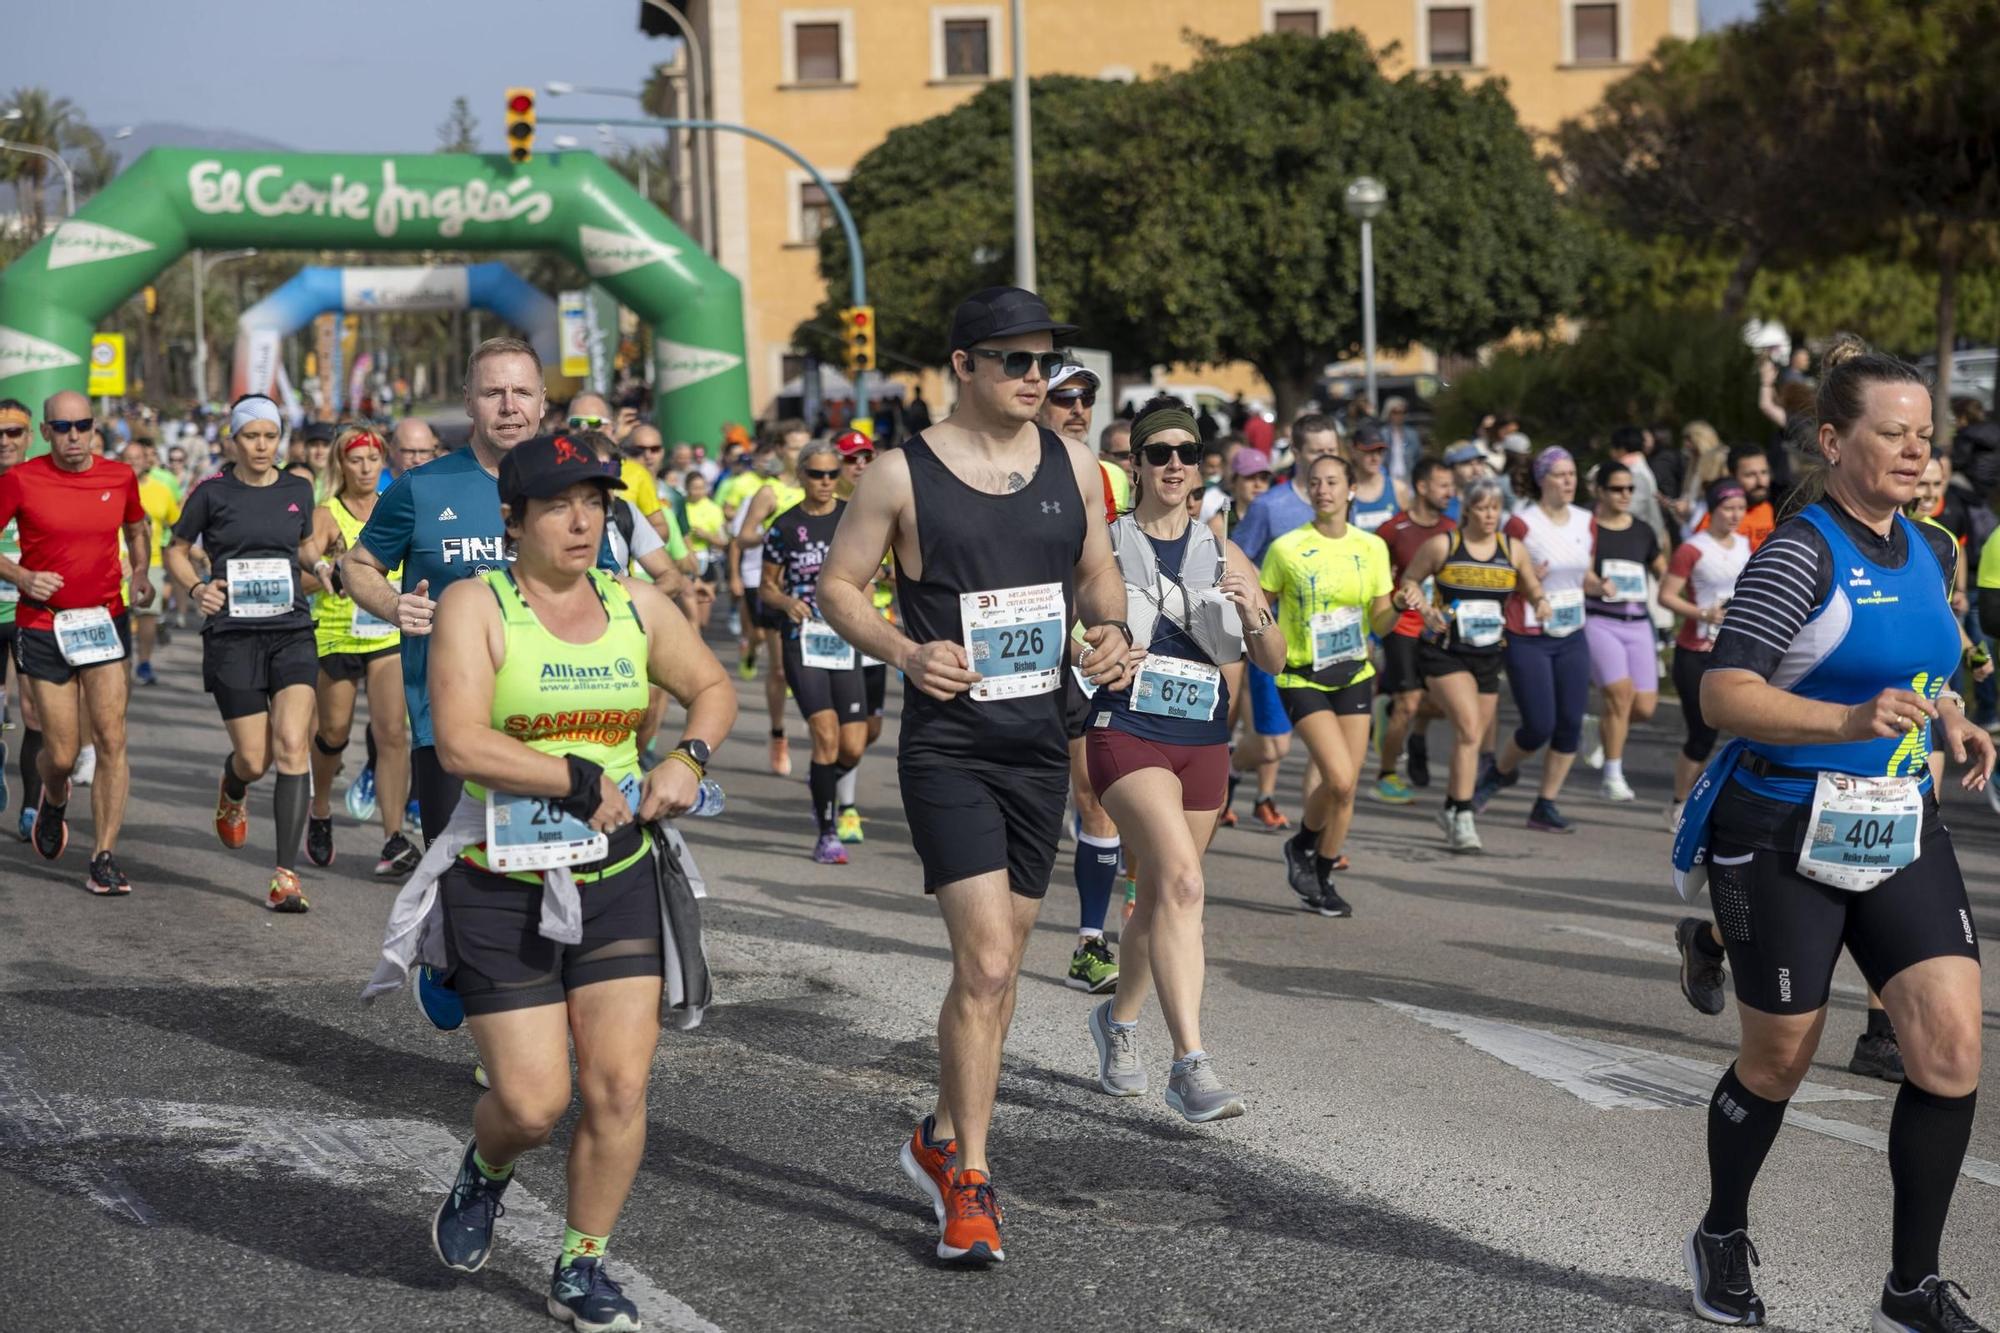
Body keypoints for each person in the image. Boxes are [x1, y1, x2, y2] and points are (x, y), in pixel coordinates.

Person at [1677, 336, 1992, 1333]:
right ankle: (1720, 1230)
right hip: (1777, 822)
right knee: (1778, 1058)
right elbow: (1723, 692)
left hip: (1895, 818)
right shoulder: (1800, 549)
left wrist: (1946, 716)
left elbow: (1922, 658)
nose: (1913, 453)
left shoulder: (1933, 545)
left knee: (1946, 1047)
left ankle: (1908, 1283)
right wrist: (1844, 723)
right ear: (1830, 438)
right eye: (1890, 434)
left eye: (1923, 436)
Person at [816, 286, 1134, 1266]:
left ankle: (937, 1132)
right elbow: (836, 585)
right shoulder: (896, 476)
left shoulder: (1075, 465)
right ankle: (970, 1182)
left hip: (1040, 739)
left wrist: (1112, 630)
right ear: (963, 365)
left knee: (995, 975)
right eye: (1015, 361)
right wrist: (904, 651)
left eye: (1047, 363)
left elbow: (1095, 571)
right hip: (949, 743)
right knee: (988, 963)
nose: (1037, 378)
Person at [416, 433, 736, 1332]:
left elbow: (712, 684)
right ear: (513, 518)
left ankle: (580, 1264)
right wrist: (575, 778)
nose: (582, 519)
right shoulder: (475, 605)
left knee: (619, 1087)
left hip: (617, 871)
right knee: (530, 1101)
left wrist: (687, 754)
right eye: (560, 503)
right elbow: (460, 740)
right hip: (501, 875)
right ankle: (486, 1168)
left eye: (595, 501)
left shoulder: (635, 603)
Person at [1084, 396, 1282, 1120]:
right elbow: (1062, 627)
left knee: (1160, 895)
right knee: (1184, 885)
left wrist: (1254, 609)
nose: (1174, 464)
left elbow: (1273, 657)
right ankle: (1190, 1063)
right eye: (1159, 452)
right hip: (1125, 725)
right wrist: (1092, 652)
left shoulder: (1224, 550)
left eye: (1186, 454)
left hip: (1202, 739)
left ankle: (1118, 1022)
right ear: (1133, 463)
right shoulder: (1101, 543)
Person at [164, 395, 320, 911]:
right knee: (256, 758)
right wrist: (195, 589)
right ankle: (234, 785)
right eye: (251, 436)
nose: (261, 445)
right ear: (233, 439)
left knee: (294, 744)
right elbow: (176, 549)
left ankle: (285, 876)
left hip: (292, 630)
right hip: (232, 634)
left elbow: (299, 553)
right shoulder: (212, 493)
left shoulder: (299, 488)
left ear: (280, 440)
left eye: (270, 436)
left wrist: (324, 570)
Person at [0, 391, 150, 892]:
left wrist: (143, 569)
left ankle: (103, 855)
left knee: (112, 738)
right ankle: (54, 794)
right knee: (61, 755)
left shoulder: (119, 475)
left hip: (104, 620)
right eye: (61, 428)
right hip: (43, 624)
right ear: (45, 432)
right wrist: (21, 576)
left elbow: (136, 524)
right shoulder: (22, 480)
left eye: (82, 426)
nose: (73, 436)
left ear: (92, 426)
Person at [1261, 454, 1398, 916]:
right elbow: (1260, 609)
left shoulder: (1372, 547)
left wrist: (1399, 603)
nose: (1323, 490)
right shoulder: (1287, 548)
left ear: (1351, 489)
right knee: (1338, 775)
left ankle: (1319, 871)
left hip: (1354, 672)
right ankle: (1302, 843)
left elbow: (1381, 619)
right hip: (1301, 675)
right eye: (1315, 483)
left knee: (1347, 786)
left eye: (1333, 482)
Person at [1396, 477, 1551, 852]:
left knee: (1474, 736)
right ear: (1467, 509)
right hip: (1444, 650)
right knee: (1467, 728)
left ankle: (1451, 807)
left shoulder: (1511, 549)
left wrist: (1541, 602)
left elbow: (1530, 586)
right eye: (1482, 508)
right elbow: (1409, 582)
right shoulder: (1443, 545)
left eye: (1495, 509)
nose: (1489, 515)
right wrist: (1423, 605)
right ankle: (1463, 817)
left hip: (1487, 653)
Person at [300, 425, 417, 878]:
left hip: (387, 632)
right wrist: (327, 568)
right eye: (356, 460)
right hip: (337, 634)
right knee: (333, 733)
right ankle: (322, 806)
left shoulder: (396, 503)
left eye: (373, 459)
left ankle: (392, 838)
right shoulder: (326, 514)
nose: (366, 468)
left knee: (392, 734)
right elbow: (306, 567)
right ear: (341, 465)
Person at [1229, 414, 1343, 830]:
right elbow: (1235, 564)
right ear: (1296, 454)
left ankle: (1318, 841)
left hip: (1336, 645)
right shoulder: (1269, 507)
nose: (1326, 460)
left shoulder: (1344, 502)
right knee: (1275, 746)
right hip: (1280, 643)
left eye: (1332, 450)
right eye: (1317, 452)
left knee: (1327, 751)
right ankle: (1232, 766)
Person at [760, 441, 868, 864]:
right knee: (825, 735)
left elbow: (876, 564)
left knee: (853, 745)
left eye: (830, 474)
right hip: (803, 639)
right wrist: (787, 602)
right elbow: (766, 587)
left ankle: (822, 781)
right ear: (802, 476)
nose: (824, 482)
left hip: (846, 637)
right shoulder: (784, 526)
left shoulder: (852, 517)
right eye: (816, 475)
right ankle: (827, 834)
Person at [1474, 447, 1593, 832]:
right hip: (1528, 634)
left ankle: (1545, 804)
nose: (1568, 481)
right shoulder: (1521, 525)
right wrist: (1529, 582)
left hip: (1572, 631)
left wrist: (1603, 585)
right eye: (1560, 474)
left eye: (1572, 473)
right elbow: (1500, 577)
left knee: (1570, 724)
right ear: (1542, 479)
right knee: (1539, 724)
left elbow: (1582, 574)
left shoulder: (1586, 521)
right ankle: (1499, 771)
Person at [1658, 479, 1751, 833]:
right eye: (1728, 508)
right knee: (1701, 733)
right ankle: (1679, 804)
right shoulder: (1693, 548)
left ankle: (1727, 801)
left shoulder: (1745, 545)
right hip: (1695, 650)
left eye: (1740, 509)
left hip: (1735, 651)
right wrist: (1703, 614)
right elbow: (1666, 596)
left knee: (1744, 729)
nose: (1734, 515)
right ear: (1712, 509)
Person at [1375, 458, 1457, 802]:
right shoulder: (1393, 530)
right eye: (1442, 485)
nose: (1449, 492)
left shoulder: (1453, 529)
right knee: (1409, 702)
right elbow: (1376, 581)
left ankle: (1413, 732)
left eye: (1451, 486)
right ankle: (1387, 773)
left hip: (1441, 627)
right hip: (1404, 625)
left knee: (1442, 704)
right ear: (1422, 487)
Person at [1583, 460, 1665, 803]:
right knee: (1620, 694)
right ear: (1599, 491)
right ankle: (1612, 776)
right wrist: (1599, 585)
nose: (1625, 495)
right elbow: (1581, 572)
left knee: (1644, 707)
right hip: (1600, 619)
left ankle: (1597, 730)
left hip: (1638, 623)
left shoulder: (1642, 530)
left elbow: (1661, 567)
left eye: (1630, 488)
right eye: (1617, 489)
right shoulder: (1587, 529)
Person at [729, 427, 808, 775]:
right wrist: (773, 535)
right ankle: (779, 734)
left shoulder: (824, 484)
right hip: (778, 590)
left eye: (806, 446)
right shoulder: (769, 491)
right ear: (780, 450)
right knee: (780, 669)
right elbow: (743, 537)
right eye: (794, 446)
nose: (802, 453)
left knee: (819, 669)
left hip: (818, 590)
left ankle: (822, 738)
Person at [832, 430, 892, 843]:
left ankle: (829, 770)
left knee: (870, 731)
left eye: (865, 457)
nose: (859, 465)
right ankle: (844, 805)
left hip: (881, 632)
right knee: (849, 738)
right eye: (850, 458)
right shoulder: (826, 510)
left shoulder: (883, 505)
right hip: (837, 632)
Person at [127, 439, 181, 687]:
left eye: (138, 458)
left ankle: (144, 662)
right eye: (129, 458)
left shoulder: (161, 490)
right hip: (116, 562)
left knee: (147, 614)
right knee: (121, 616)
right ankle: (120, 662)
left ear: (146, 461)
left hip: (153, 562)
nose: (134, 463)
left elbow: (178, 523)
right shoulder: (112, 485)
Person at [0, 400, 29, 831]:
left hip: (30, 615)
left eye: (13, 432)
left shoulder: (42, 483)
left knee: (38, 715)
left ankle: (34, 807)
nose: (4, 441)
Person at [1345, 422, 1408, 533]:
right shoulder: (1344, 491)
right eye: (1368, 452)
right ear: (1353, 452)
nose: (1375, 458)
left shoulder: (1398, 489)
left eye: (1379, 452)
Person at [385, 417, 441, 490]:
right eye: (409, 451)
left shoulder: (443, 487)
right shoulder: (373, 486)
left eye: (423, 452)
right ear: (392, 450)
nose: (417, 460)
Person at [1380, 396, 1424, 487]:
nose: (1399, 416)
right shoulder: (1382, 434)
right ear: (1388, 413)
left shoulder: (1412, 434)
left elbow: (1418, 457)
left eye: (1403, 412)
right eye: (1395, 412)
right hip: (1388, 477)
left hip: (1408, 477)